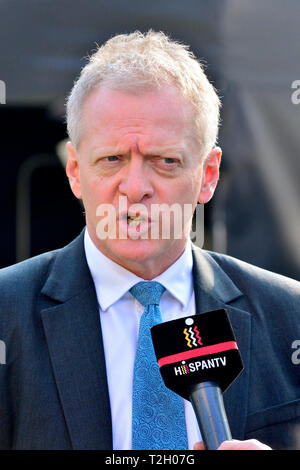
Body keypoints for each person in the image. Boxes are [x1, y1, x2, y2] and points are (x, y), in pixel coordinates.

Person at [0, 30, 299, 451]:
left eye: (165, 161)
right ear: (74, 172)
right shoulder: (5, 313)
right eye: (112, 159)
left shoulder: (291, 317)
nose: (136, 186)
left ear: (208, 175)